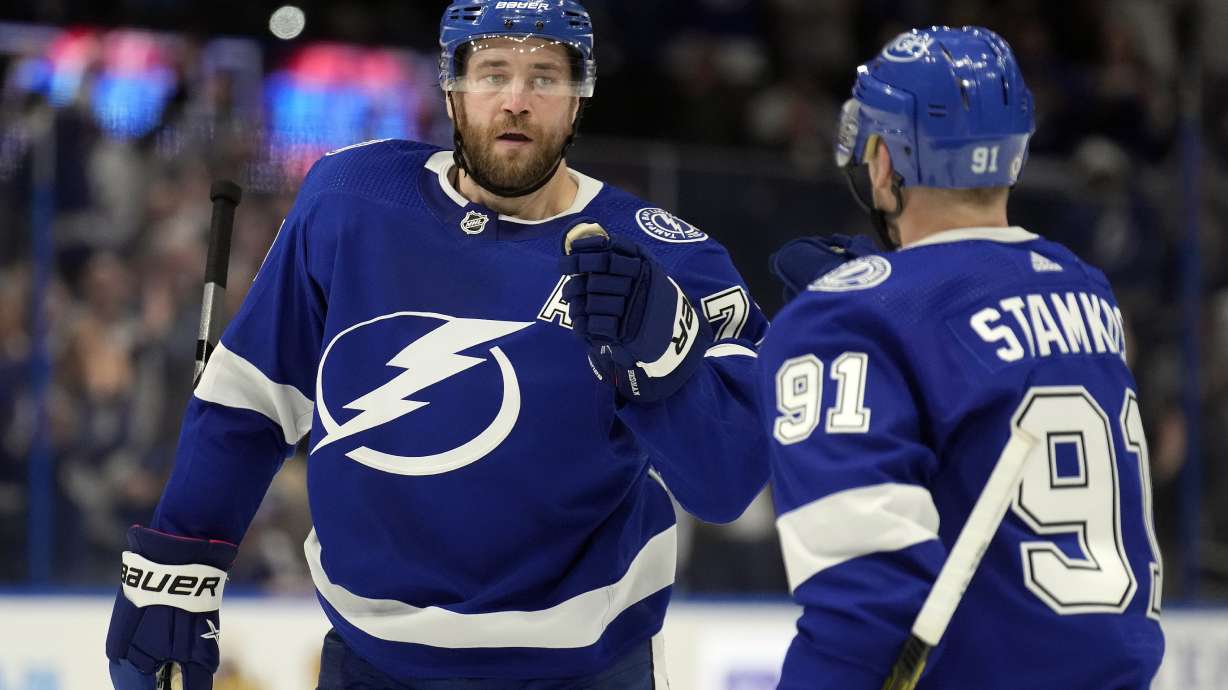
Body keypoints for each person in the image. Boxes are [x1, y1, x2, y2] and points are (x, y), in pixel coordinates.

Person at [105, 2, 769, 688]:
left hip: (585, 673)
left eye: (545, 77)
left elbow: (728, 485)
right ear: (452, 91)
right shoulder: (351, 197)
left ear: (578, 98)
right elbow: (251, 399)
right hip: (371, 666)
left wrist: (665, 361)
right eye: (492, 73)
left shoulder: (668, 260)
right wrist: (177, 566)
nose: (516, 100)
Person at [759, 26, 1165, 689]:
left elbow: (869, 605)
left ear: (883, 160)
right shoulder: (1086, 288)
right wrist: (893, 297)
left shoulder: (841, 321)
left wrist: (862, 309)